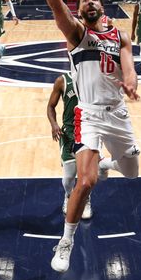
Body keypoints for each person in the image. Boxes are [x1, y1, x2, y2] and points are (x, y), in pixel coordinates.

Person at [20, 0, 140, 273]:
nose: (89, 2)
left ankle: (108, 164)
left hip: (118, 114)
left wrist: (130, 80)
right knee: (84, 182)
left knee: (131, 174)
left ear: (102, 7)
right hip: (88, 115)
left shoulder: (121, 35)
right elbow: (54, 2)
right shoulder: (77, 33)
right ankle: (66, 242)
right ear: (78, 9)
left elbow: (128, 68)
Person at [47, 72, 93, 220]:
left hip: (88, 132)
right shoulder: (62, 80)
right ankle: (68, 196)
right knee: (68, 178)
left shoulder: (93, 78)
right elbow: (50, 106)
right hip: (68, 133)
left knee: (85, 175)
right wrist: (54, 125)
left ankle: (86, 200)